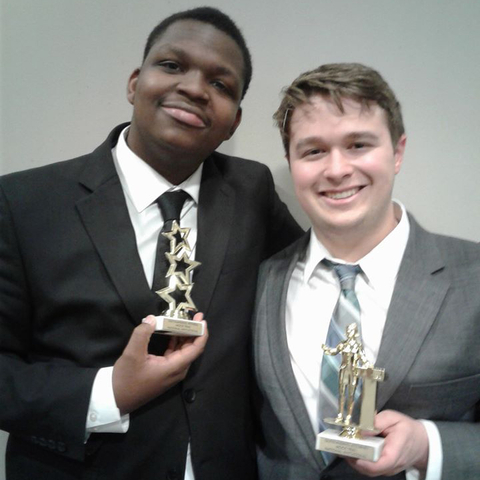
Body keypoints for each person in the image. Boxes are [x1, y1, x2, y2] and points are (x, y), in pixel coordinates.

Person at [0, 7, 303, 480]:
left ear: (234, 121)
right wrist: (111, 392)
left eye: (221, 85)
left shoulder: (252, 190)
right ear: (135, 82)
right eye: (173, 65)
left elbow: (313, 281)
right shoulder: (22, 203)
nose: (196, 88)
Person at [253, 63, 480, 480]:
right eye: (314, 150)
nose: (337, 169)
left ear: (397, 152)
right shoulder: (262, 280)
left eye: (358, 144)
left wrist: (426, 445)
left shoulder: (475, 277)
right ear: (291, 161)